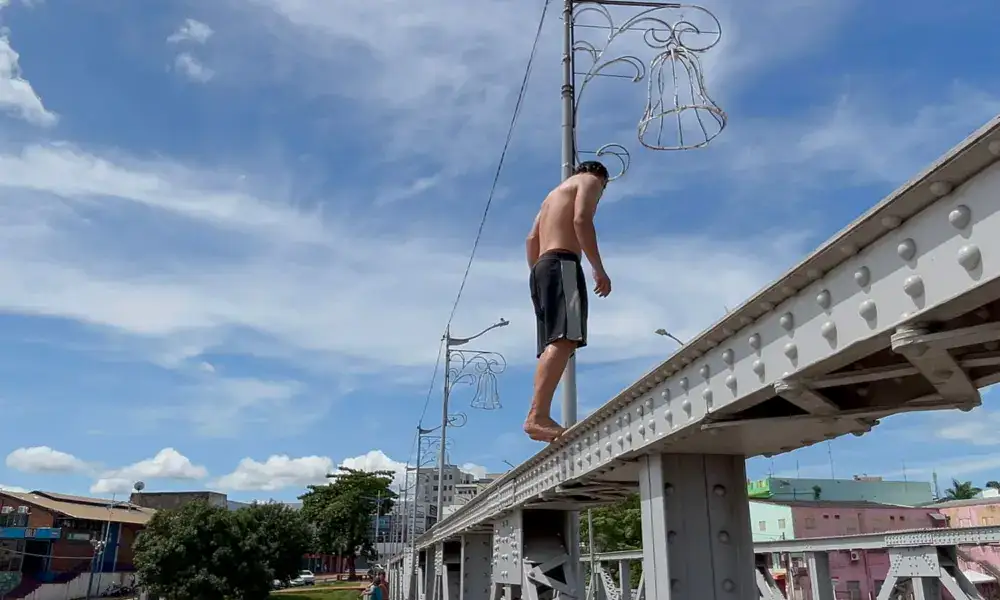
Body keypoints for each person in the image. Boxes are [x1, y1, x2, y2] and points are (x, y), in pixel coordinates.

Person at [523, 160, 611, 443]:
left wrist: (538, 274)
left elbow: (531, 238)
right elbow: (581, 220)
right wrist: (598, 268)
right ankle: (537, 416)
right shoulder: (590, 181)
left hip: (542, 266)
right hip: (563, 263)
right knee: (565, 338)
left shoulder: (551, 197)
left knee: (555, 341)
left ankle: (538, 414)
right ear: (602, 180)